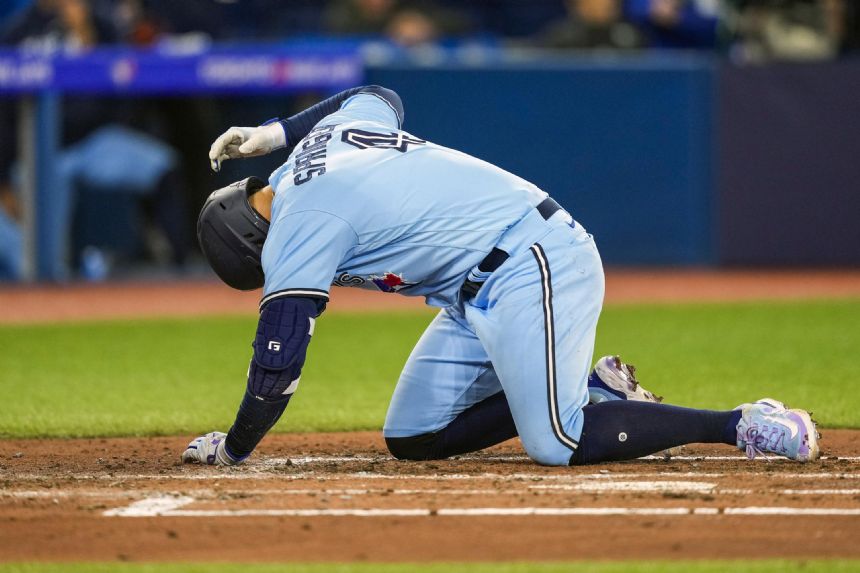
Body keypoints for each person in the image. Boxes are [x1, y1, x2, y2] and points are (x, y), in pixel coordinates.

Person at [182, 85, 820, 467]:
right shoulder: (316, 150)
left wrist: (235, 448)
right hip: (475, 293)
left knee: (558, 444)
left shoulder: (297, 226)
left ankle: (741, 424)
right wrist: (273, 135)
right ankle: (595, 391)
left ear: (252, 248)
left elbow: (278, 361)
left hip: (533, 260)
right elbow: (375, 96)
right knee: (416, 437)